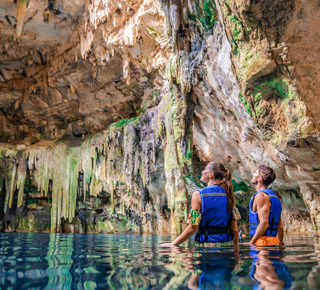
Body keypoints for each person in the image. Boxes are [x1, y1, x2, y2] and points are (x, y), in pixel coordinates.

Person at [160, 162, 239, 247]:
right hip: (226, 247)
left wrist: (174, 243)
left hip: (205, 247)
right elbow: (235, 230)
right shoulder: (229, 195)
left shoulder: (198, 195)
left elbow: (193, 227)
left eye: (205, 169)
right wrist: (235, 250)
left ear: (211, 174)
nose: (202, 172)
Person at [248, 165, 283, 246]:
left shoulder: (261, 196)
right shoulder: (275, 197)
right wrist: (280, 243)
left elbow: (264, 223)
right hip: (274, 241)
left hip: (262, 243)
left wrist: (251, 242)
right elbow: (280, 227)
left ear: (260, 179)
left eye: (256, 173)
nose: (253, 174)